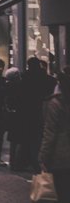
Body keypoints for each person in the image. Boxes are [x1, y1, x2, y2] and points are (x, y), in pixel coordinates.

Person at [19, 56, 57, 174]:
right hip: (41, 110)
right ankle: (38, 162)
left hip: (27, 111)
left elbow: (20, 95)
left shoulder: (24, 77)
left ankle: (27, 161)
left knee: (28, 137)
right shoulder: (46, 78)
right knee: (39, 136)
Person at [39, 68, 70, 202]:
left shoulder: (56, 103)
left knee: (61, 193)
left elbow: (50, 133)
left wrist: (43, 157)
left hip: (61, 156)